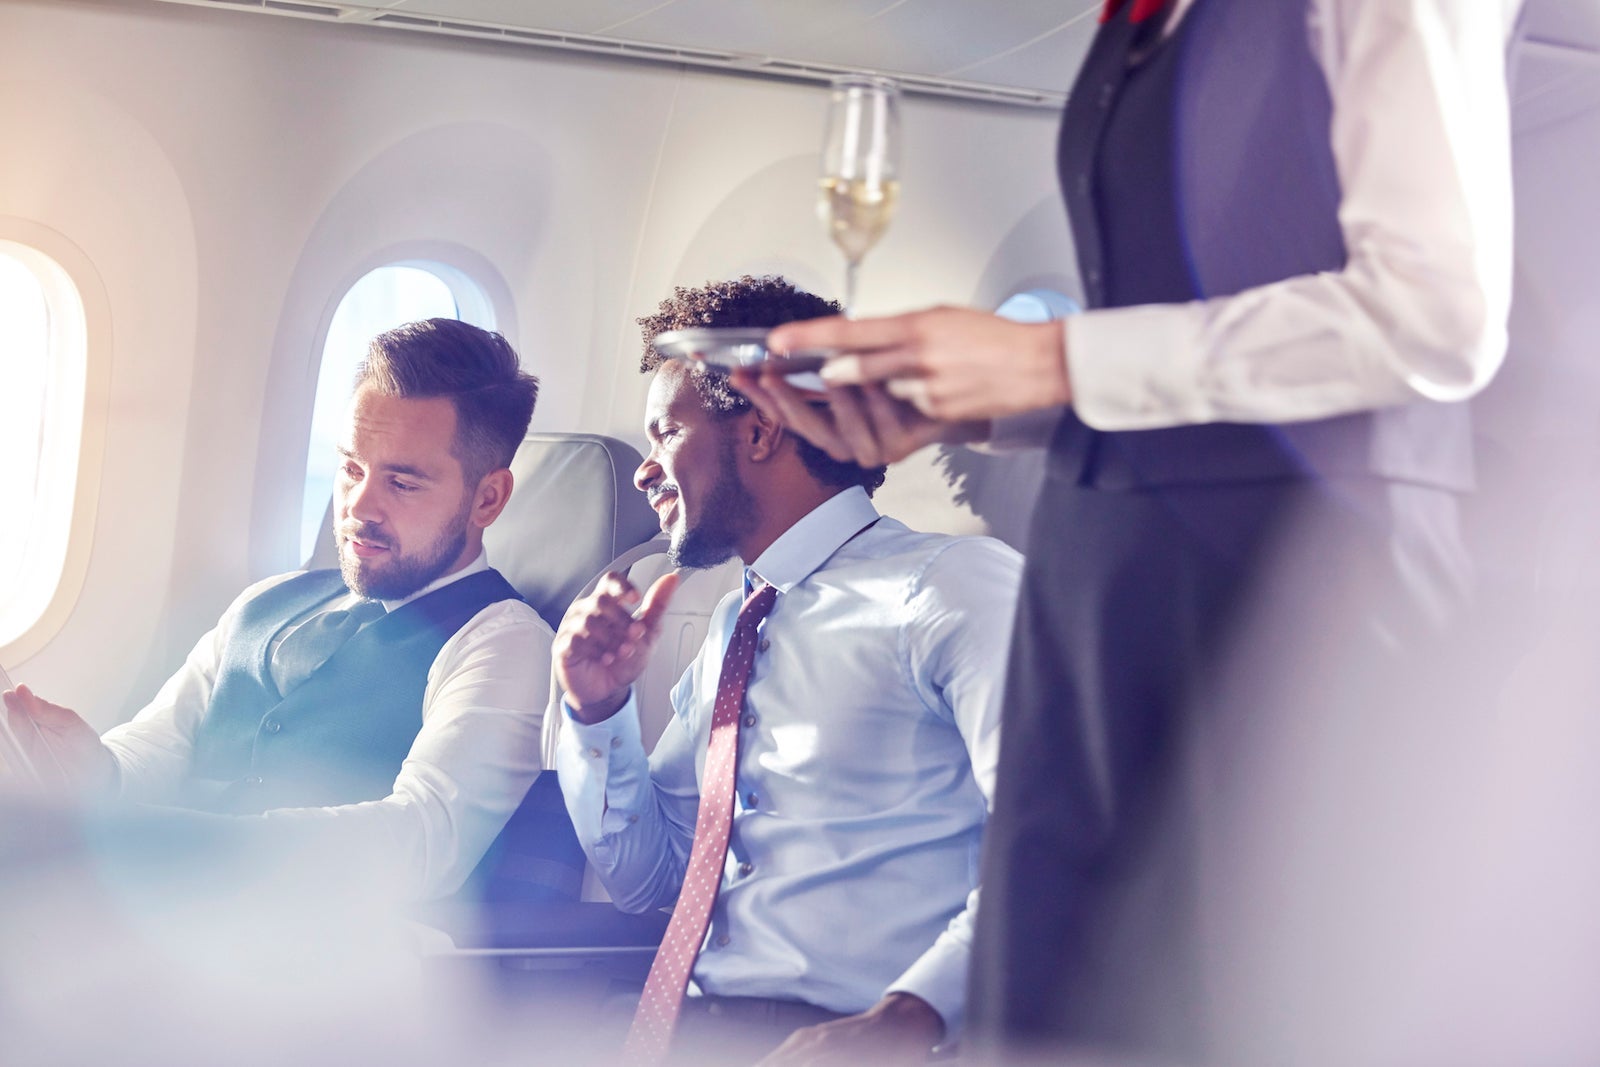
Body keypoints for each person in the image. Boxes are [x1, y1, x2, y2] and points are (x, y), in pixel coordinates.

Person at [738, 0, 1522, 1061]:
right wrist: (975, 403)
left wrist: (1051, 358)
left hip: (1292, 580)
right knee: (1045, 1003)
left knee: (1238, 1009)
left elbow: (1436, 316)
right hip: (1100, 573)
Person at [551, 276, 1022, 1065]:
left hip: (861, 1035)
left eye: (667, 432)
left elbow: (1048, 834)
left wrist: (908, 1018)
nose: (643, 470)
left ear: (762, 430)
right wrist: (596, 712)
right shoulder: (734, 621)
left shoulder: (948, 586)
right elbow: (650, 879)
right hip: (687, 1033)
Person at [2, 317, 557, 902]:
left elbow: (421, 841)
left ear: (488, 498)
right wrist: (94, 771)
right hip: (163, 908)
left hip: (309, 942)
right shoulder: (266, 602)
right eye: (352, 469)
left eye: (402, 483)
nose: (358, 506)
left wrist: (169, 845)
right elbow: (164, 742)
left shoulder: (504, 643)